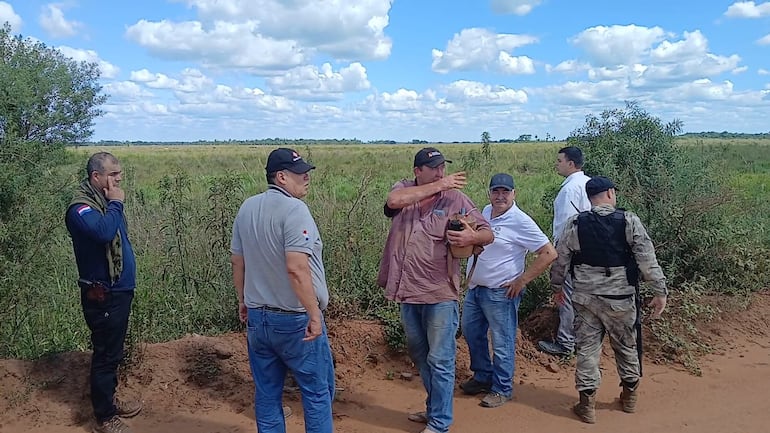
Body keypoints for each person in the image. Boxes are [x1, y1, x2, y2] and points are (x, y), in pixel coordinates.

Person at [377, 147, 493, 433]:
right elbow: (393, 202)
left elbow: (488, 233)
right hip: (407, 292)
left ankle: (440, 422)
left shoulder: (455, 198)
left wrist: (471, 235)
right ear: (418, 171)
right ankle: (434, 409)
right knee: (419, 354)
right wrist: (439, 185)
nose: (442, 173)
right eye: (435, 168)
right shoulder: (403, 189)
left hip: (440, 293)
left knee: (440, 358)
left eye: (443, 168)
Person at [230, 148, 335, 433]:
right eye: (300, 173)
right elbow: (296, 268)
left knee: (267, 392)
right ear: (281, 177)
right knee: (317, 392)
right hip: (294, 319)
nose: (307, 178)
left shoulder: (247, 207)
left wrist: (242, 300)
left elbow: (237, 260)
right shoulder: (295, 210)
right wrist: (314, 314)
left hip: (258, 318)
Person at [550, 176, 668, 424]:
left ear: (589, 196)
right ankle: (630, 397)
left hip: (585, 298)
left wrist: (557, 287)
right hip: (621, 298)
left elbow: (560, 259)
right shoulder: (628, 220)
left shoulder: (575, 223)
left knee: (587, 350)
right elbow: (647, 258)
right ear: (611, 194)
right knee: (626, 346)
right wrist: (659, 291)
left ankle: (587, 406)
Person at [459, 173, 557, 408]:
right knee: (472, 333)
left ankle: (502, 388)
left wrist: (521, 281)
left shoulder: (520, 221)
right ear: (489, 193)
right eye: (496, 191)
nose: (500, 196)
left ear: (514, 194)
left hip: (500, 293)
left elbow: (549, 253)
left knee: (502, 342)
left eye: (505, 192)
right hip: (476, 289)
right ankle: (483, 376)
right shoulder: (484, 212)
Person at [65, 152, 142, 433]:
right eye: (112, 174)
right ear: (95, 177)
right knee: (106, 354)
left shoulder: (104, 204)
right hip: (102, 294)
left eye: (119, 173)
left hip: (118, 290)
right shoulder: (81, 209)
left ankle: (109, 399)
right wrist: (117, 203)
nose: (118, 178)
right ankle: (105, 417)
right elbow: (104, 233)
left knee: (114, 351)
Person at [538, 146, 592, 357]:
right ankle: (583, 341)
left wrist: (558, 253)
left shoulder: (570, 189)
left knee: (567, 296)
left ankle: (566, 344)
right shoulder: (588, 184)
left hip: (572, 251)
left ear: (571, 164)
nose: (556, 163)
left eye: (559, 160)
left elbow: (566, 227)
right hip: (589, 251)